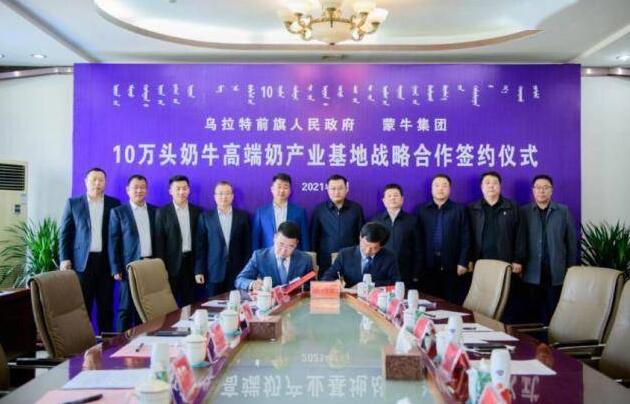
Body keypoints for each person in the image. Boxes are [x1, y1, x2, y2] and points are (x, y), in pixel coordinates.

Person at [59, 167, 120, 332]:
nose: (97, 183)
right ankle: (82, 342)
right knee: (82, 307)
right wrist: (65, 258)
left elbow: (117, 236)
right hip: (82, 264)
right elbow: (65, 233)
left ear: (105, 183)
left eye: (101, 180)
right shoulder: (73, 203)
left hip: (105, 263)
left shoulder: (114, 204)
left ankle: (107, 343)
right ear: (86, 182)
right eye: (94, 180)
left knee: (106, 307)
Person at [518, 174, 577, 324]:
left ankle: (552, 339)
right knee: (532, 313)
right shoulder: (524, 212)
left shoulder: (563, 211)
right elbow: (518, 241)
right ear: (533, 190)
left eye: (546, 188)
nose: (541, 191)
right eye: (538, 187)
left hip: (555, 270)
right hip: (531, 270)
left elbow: (571, 242)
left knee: (554, 311)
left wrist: (571, 268)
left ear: (552, 190)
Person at [468, 171, 524, 321]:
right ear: (481, 187)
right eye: (487, 183)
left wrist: (518, 259)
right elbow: (468, 237)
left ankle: (505, 331)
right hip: (481, 263)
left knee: (506, 302)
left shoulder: (512, 207)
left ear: (500, 186)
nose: (491, 186)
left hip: (506, 262)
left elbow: (520, 235)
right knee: (482, 301)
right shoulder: (473, 209)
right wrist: (469, 259)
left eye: (495, 183)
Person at [108, 174, 156, 332]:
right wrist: (115, 268)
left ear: (146, 190)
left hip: (149, 265)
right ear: (128, 190)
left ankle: (143, 339)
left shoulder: (155, 211)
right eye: (135, 188)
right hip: (129, 267)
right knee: (126, 308)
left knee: (146, 308)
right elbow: (113, 242)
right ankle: (120, 342)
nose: (139, 191)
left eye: (142, 187)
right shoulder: (118, 212)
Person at [416, 174, 471, 304]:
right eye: (437, 185)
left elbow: (466, 237)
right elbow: (418, 239)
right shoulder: (422, 210)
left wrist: (463, 261)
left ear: (450, 189)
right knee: (429, 302)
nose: (440, 188)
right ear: (431, 189)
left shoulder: (459, 210)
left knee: (452, 302)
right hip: (428, 265)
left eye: (444, 185)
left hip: (452, 265)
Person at [194, 181, 251, 298]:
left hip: (237, 271)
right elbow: (200, 246)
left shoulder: (243, 217)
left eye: (227, 193)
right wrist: (199, 270)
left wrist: (248, 270)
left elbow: (247, 246)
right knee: (213, 304)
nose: (224, 197)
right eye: (220, 194)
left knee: (236, 304)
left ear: (232, 196)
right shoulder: (206, 217)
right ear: (214, 197)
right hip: (214, 271)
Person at [155, 175, 201, 307]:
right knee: (169, 305)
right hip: (170, 266)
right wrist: (161, 269)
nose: (181, 192)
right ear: (170, 191)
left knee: (190, 303)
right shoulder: (162, 212)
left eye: (184, 188)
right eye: (178, 189)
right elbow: (159, 243)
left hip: (191, 264)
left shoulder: (197, 211)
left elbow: (200, 242)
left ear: (189, 190)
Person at [235, 221, 313, 291]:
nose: (283, 250)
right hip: (268, 301)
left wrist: (301, 287)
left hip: (295, 301)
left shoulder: (305, 259)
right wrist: (253, 284)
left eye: (290, 246)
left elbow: (313, 285)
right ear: (274, 238)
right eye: (281, 244)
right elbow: (240, 280)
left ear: (296, 244)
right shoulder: (259, 257)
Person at [310, 174, 364, 273]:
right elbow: (314, 237)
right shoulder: (320, 210)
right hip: (326, 260)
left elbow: (362, 236)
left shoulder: (356, 209)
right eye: (333, 189)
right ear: (327, 190)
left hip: (351, 258)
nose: (336, 192)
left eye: (340, 188)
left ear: (346, 189)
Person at [321, 222, 400, 288]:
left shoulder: (389, 257)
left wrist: (368, 286)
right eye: (365, 245)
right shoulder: (345, 254)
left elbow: (396, 282)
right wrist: (336, 282)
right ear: (360, 238)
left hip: (376, 298)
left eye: (374, 248)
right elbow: (327, 277)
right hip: (350, 297)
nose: (367, 251)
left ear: (381, 246)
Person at [372, 184, 422, 289]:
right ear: (383, 201)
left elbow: (418, 248)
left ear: (402, 199)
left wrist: (416, 273)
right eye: (389, 196)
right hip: (381, 271)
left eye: (395, 195)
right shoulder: (375, 220)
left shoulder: (412, 220)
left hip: (405, 271)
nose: (392, 198)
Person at [252, 173, 309, 251]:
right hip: (268, 255)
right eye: (279, 187)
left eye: (285, 187)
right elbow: (256, 239)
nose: (282, 190)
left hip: (293, 254)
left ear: (290, 191)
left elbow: (304, 239)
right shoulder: (261, 212)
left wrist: (306, 255)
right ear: (272, 189)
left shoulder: (300, 211)